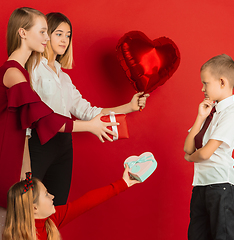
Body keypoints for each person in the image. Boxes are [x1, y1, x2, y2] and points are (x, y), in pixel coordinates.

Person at [0, 7, 118, 240]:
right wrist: (89, 126)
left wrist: (27, 173)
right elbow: (43, 118)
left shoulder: (22, 72)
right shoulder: (12, 72)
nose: (46, 38)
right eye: (42, 32)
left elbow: (25, 130)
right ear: (22, 33)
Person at [28, 12, 149, 206]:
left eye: (68, 35)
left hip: (64, 145)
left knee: (55, 208)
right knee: (23, 209)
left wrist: (129, 107)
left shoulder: (64, 78)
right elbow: (36, 115)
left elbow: (88, 111)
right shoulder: (32, 69)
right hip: (38, 142)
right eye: (59, 34)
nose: (65, 40)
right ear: (45, 34)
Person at [183, 54, 234, 240]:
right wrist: (200, 117)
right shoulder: (212, 112)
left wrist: (191, 157)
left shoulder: (231, 115)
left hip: (220, 186)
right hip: (201, 184)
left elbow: (204, 153)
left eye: (205, 83)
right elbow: (187, 147)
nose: (202, 88)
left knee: (221, 236)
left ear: (222, 82)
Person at [3, 166, 140, 240]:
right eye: (46, 194)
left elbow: (86, 202)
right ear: (34, 208)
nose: (52, 196)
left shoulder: (52, 219)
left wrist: (124, 183)